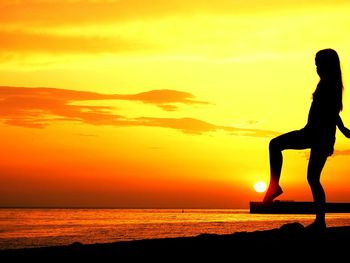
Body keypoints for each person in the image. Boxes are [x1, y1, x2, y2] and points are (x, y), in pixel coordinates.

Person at [262, 48, 347, 230]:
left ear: (329, 65)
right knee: (313, 178)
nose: (317, 68)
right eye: (315, 65)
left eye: (320, 64)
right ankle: (320, 221)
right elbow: (333, 113)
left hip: (316, 135)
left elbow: (331, 112)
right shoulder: (328, 84)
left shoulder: (328, 85)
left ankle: (274, 186)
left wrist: (342, 130)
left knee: (275, 145)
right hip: (317, 135)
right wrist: (344, 130)